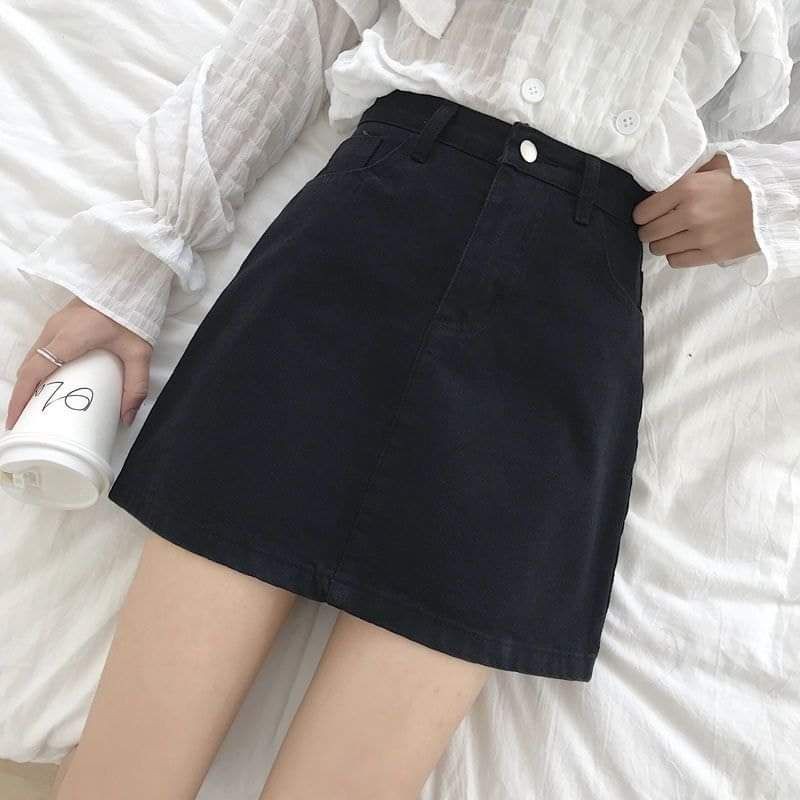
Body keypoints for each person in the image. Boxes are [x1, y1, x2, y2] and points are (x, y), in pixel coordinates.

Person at [4, 1, 798, 798]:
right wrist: (133, 268)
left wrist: (768, 197)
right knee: (125, 779)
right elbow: (297, 34)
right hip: (362, 238)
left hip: (562, 325)